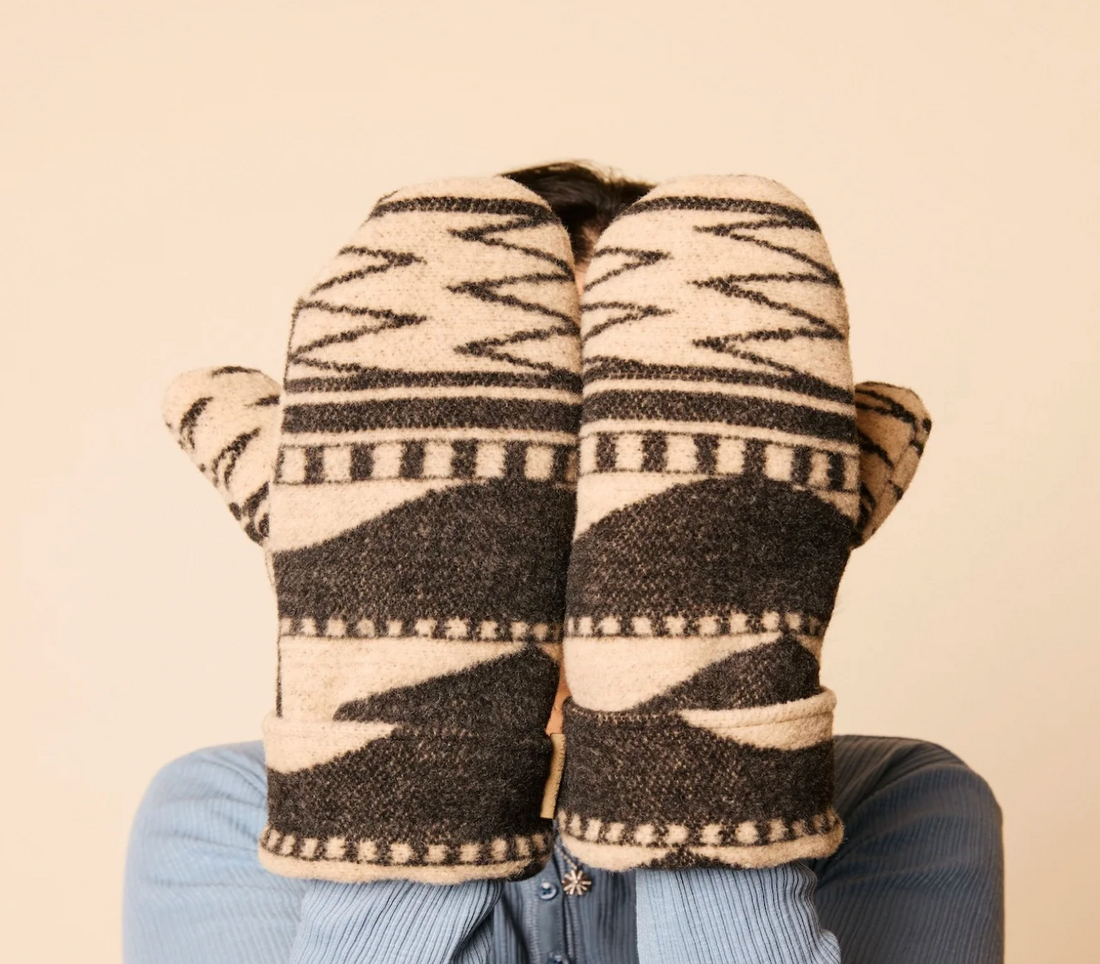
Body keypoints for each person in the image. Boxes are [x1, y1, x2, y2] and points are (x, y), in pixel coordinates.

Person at [124, 162, 1004, 964]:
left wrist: (699, 758)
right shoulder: (223, 810)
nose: (585, 525)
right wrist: (410, 768)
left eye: (627, 458)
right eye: (521, 454)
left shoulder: (901, 803)